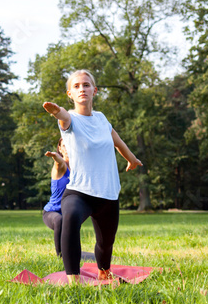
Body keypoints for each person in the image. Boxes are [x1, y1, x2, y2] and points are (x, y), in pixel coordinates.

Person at [43, 69, 142, 283]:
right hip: (79, 192)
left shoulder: (101, 119)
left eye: (86, 85)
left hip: (108, 194)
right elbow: (63, 116)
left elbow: (117, 141)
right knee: (69, 218)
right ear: (70, 93)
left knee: (105, 244)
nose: (82, 89)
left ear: (94, 90)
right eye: (76, 86)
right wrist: (56, 111)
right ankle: (74, 281)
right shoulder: (70, 120)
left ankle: (104, 272)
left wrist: (132, 159)